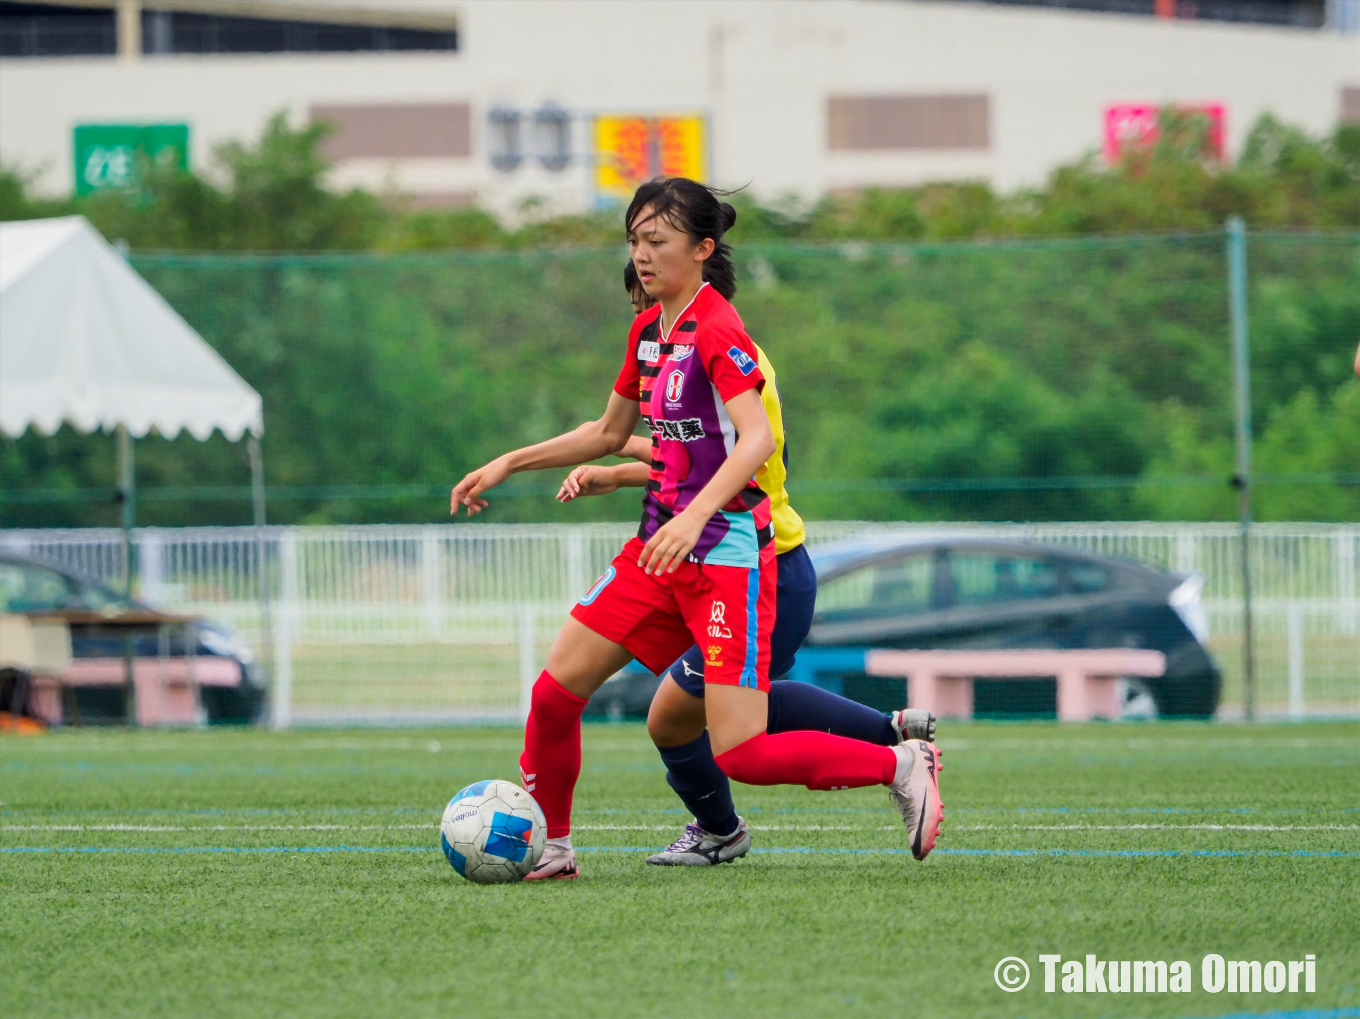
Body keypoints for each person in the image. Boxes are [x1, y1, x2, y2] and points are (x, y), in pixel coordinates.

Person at [451, 177, 943, 880]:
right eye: (633, 240)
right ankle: (554, 847)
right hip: (659, 552)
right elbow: (609, 431)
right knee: (555, 692)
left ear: (703, 249)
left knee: (739, 745)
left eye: (655, 241)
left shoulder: (718, 329)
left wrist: (694, 512)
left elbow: (754, 441)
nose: (641, 255)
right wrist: (509, 462)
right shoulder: (650, 331)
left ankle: (894, 763)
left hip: (727, 557)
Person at [556, 260, 935, 866]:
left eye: (644, 304)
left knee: (715, 725)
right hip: (724, 560)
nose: (644, 321)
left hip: (764, 564)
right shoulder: (683, 347)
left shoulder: (723, 348)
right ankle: (888, 734)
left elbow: (732, 460)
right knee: (686, 714)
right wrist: (621, 469)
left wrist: (620, 458)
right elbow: (681, 455)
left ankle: (888, 757)